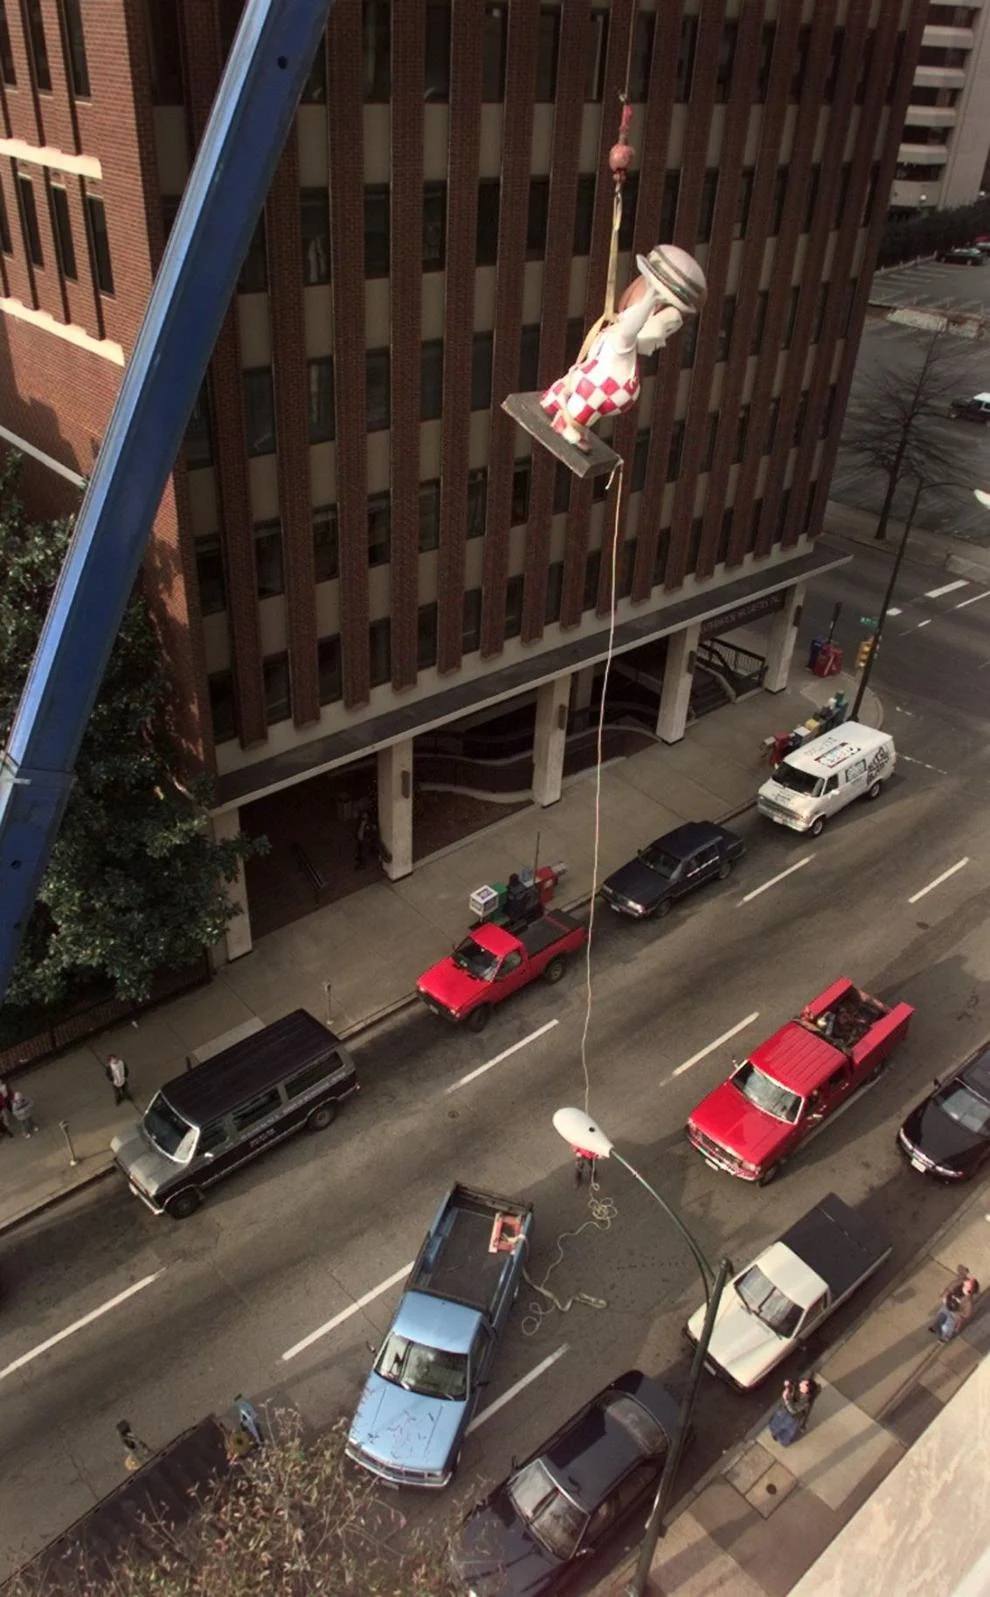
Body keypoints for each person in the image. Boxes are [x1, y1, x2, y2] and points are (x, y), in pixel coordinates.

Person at [931, 1275, 979, 1343]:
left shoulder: (968, 1302)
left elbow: (967, 1314)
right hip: (947, 1306)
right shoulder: (957, 1287)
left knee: (947, 1327)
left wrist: (960, 1319)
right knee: (939, 1317)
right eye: (966, 1286)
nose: (967, 1290)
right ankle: (937, 1325)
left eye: (969, 1290)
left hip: (954, 1314)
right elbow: (950, 1289)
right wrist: (945, 1295)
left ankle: (945, 1336)